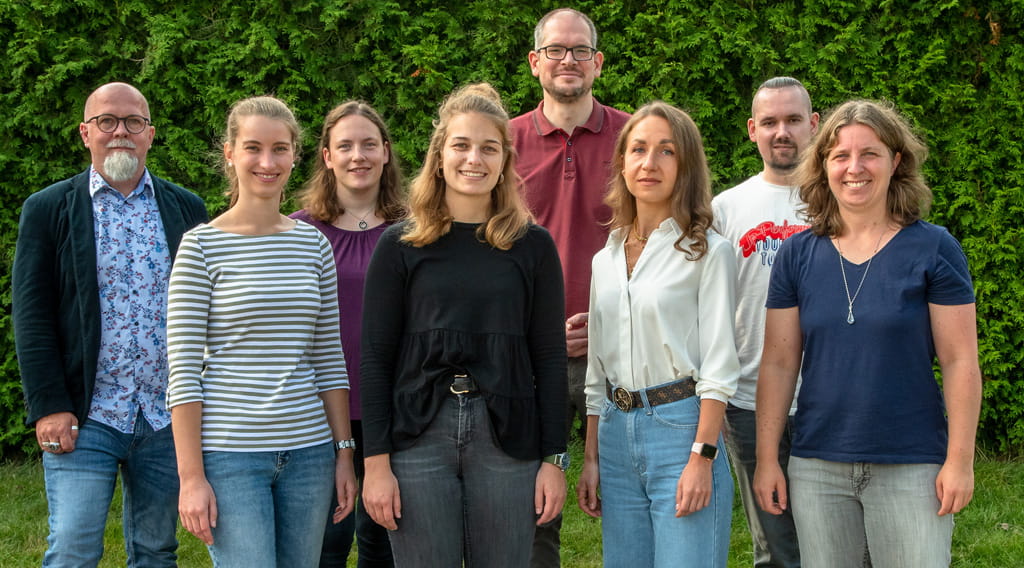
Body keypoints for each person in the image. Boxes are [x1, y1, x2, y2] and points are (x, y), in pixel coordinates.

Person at [753, 100, 982, 567]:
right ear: (824, 166)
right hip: (818, 465)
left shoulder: (935, 248)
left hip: (912, 463)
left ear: (895, 162)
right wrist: (767, 458)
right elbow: (778, 363)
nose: (854, 168)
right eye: (840, 156)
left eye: (869, 154)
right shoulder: (796, 255)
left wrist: (960, 461)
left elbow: (960, 361)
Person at [360, 83, 569, 567]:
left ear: (505, 161)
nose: (474, 159)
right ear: (439, 157)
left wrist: (554, 459)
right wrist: (376, 463)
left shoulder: (532, 246)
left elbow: (550, 359)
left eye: (489, 148)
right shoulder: (400, 245)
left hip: (508, 441)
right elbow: (375, 359)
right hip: (417, 438)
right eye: (461, 145)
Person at [11, 82, 207, 567]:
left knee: (156, 551)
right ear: (86, 133)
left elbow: (204, 310)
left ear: (150, 134)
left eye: (133, 122)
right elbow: (32, 314)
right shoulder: (48, 209)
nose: (121, 132)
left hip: (165, 416)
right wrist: (50, 406)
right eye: (107, 121)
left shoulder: (187, 208)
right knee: (73, 548)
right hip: (86, 414)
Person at [167, 96, 357, 567]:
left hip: (310, 453)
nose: (267, 163)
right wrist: (191, 478)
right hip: (231, 457)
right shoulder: (201, 247)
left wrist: (343, 453)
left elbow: (328, 359)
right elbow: (183, 373)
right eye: (253, 148)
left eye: (280, 149)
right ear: (230, 153)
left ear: (295, 155)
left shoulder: (313, 245)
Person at [576, 101, 740, 567]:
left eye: (666, 151)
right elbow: (596, 373)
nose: (650, 163)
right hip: (615, 434)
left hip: (681, 431)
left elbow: (719, 368)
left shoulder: (707, 252)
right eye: (639, 149)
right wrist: (592, 457)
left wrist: (702, 457)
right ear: (622, 162)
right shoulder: (605, 259)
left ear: (685, 166)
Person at [510, 9, 630, 564]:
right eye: (555, 50)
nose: (568, 60)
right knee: (533, 504)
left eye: (580, 50)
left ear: (597, 63)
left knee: (631, 491)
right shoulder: (503, 142)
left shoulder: (634, 137)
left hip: (625, 345)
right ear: (535, 62)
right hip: (532, 347)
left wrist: (606, 322)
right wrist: (537, 328)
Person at [290, 100, 404, 567]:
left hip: (394, 409)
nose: (358, 155)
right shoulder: (297, 233)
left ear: (386, 152)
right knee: (326, 541)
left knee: (384, 539)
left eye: (369, 144)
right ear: (327, 156)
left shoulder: (415, 230)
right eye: (345, 146)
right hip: (319, 412)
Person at [711, 76, 818, 568]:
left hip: (827, 398)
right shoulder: (725, 209)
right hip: (748, 400)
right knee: (775, 548)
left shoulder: (838, 201)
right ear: (752, 130)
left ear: (813, 125)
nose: (782, 132)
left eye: (793, 120)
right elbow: (707, 308)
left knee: (838, 539)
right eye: (770, 122)